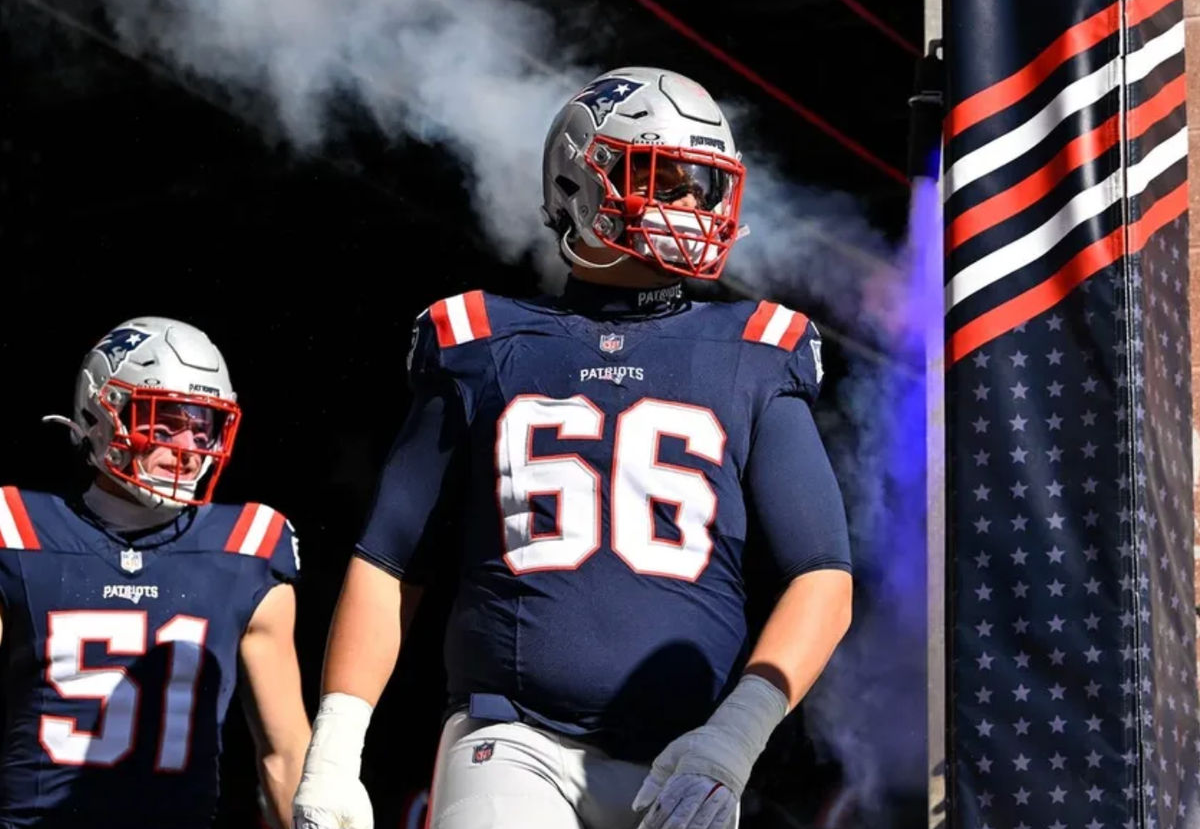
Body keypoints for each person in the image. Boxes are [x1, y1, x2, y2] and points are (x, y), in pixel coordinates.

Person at [293, 66, 853, 829]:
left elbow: (823, 576)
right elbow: (390, 562)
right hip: (511, 735)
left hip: (686, 753)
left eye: (703, 184)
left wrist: (734, 735)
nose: (690, 202)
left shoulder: (753, 348)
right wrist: (335, 746)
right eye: (665, 177)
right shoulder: (484, 341)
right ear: (578, 184)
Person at [0, 317, 310, 829]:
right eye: (164, 422)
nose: (188, 448)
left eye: (202, 424)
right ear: (101, 413)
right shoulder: (20, 532)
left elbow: (284, 754)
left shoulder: (249, 546)